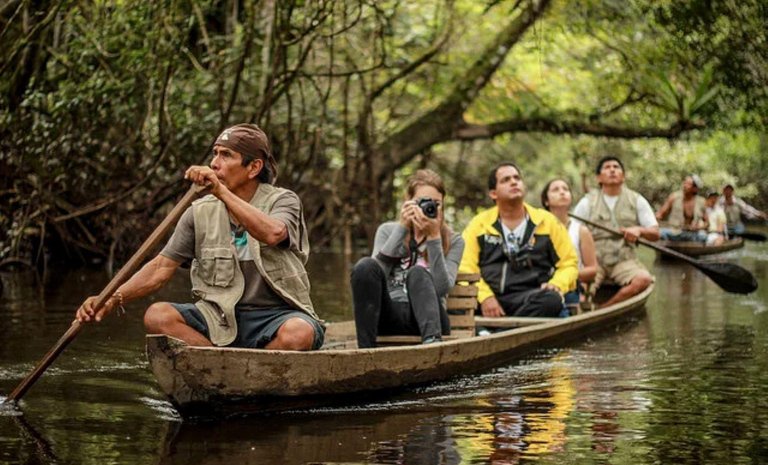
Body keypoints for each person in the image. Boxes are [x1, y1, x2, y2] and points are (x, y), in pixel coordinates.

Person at [76, 124, 324, 351]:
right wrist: (111, 298)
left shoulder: (283, 200)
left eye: (226, 155)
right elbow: (161, 268)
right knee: (157, 315)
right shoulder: (199, 212)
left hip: (276, 315)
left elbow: (273, 233)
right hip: (219, 317)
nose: (215, 163)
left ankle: (250, 368)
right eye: (215, 153)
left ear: (254, 167)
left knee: (299, 333)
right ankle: (219, 365)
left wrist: (220, 191)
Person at [350, 169, 464, 348]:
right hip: (389, 316)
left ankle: (432, 347)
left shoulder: (454, 240)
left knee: (417, 272)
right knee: (365, 265)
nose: (428, 208)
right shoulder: (387, 231)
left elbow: (441, 289)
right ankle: (366, 352)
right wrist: (402, 228)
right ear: (407, 201)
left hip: (430, 319)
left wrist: (434, 237)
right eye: (422, 202)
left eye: (436, 203)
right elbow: (373, 277)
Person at [460, 163, 577, 318]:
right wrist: (485, 297)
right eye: (506, 180)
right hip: (491, 299)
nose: (514, 182)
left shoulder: (547, 221)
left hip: (532, 297)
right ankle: (499, 330)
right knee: (450, 302)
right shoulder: (479, 224)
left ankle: (497, 333)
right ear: (493, 194)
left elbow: (569, 263)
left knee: (551, 300)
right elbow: (465, 267)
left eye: (517, 178)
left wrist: (556, 284)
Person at [572, 156, 659, 308]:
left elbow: (655, 233)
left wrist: (638, 230)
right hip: (594, 261)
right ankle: (582, 305)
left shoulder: (636, 200)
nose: (612, 170)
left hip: (625, 261)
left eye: (616, 167)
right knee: (575, 283)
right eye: (607, 167)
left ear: (623, 176)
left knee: (644, 279)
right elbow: (572, 232)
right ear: (599, 177)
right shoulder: (587, 202)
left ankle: (605, 308)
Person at [540, 179, 598, 310]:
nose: (562, 192)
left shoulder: (580, 231)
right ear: (546, 201)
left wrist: (566, 275)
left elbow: (592, 269)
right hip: (543, 284)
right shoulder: (538, 228)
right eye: (556, 190)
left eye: (565, 189)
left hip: (571, 285)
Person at [655, 174, 708, 242]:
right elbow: (661, 214)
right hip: (675, 232)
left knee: (703, 236)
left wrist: (699, 227)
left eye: (688, 184)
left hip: (692, 234)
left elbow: (707, 223)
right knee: (658, 233)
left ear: (694, 188)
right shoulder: (674, 197)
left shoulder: (701, 202)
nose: (685, 186)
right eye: (684, 183)